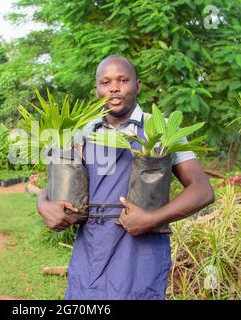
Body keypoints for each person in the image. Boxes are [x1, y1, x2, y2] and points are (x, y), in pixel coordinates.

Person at [37, 55, 215, 300]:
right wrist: (42, 202)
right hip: (91, 246)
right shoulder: (81, 132)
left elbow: (202, 190)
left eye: (123, 80)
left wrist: (152, 219)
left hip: (141, 249)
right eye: (105, 82)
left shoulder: (161, 129)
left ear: (138, 85)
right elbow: (56, 186)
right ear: (97, 89)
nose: (114, 87)